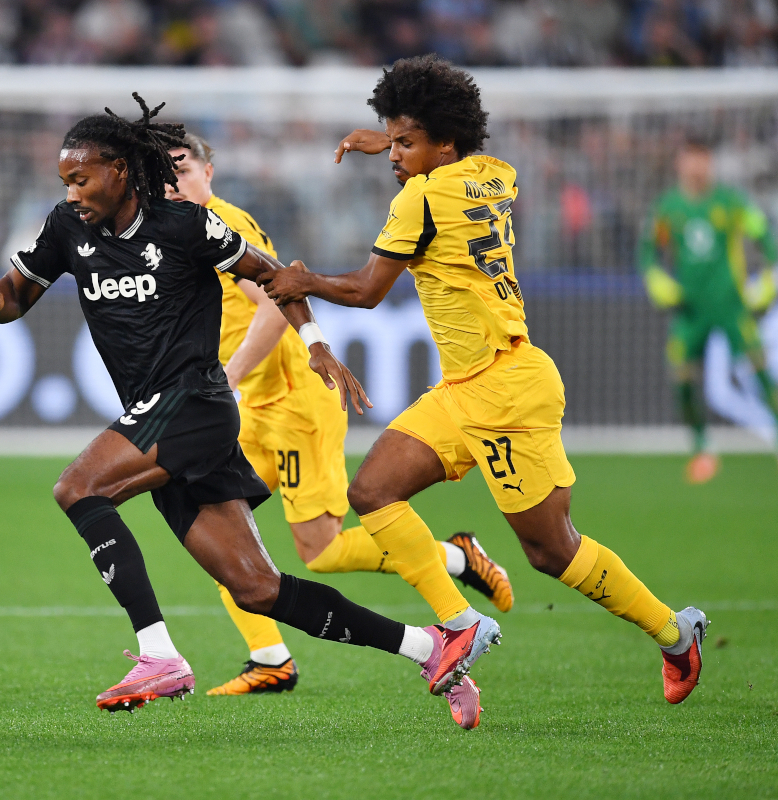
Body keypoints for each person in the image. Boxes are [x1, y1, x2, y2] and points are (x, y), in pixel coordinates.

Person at [0, 93, 484, 727]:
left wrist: (316, 345)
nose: (73, 192)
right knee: (258, 588)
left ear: (121, 170)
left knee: (77, 488)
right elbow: (21, 290)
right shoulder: (68, 227)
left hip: (194, 404)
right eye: (65, 181)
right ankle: (431, 648)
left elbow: (273, 277)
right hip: (160, 414)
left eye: (82, 178)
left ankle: (158, 654)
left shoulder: (185, 224)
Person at [260, 56, 709, 706]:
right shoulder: (492, 175)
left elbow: (365, 291)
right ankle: (462, 621)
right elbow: (444, 163)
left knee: (552, 552)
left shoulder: (419, 197)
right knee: (375, 490)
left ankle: (674, 632)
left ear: (443, 143)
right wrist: (389, 141)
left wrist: (305, 282)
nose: (395, 153)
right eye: (394, 137)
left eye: (405, 142)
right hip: (467, 386)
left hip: (507, 392)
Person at [165, 132, 514, 698]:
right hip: (248, 410)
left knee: (320, 552)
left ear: (210, 171)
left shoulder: (225, 226)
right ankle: (269, 658)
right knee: (216, 522)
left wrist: (224, 378)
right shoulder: (179, 229)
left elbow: (274, 311)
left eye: (182, 170)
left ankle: (456, 556)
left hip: (295, 405)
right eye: (164, 174)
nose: (173, 182)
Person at [638, 137, 778, 483]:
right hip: (690, 309)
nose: (697, 167)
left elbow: (765, 236)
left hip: (731, 305)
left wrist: (770, 274)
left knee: (760, 366)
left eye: (702, 159)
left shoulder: (731, 203)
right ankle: (702, 448)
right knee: (681, 377)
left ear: (710, 163)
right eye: (691, 159)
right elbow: (646, 251)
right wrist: (655, 278)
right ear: (680, 163)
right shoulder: (667, 208)